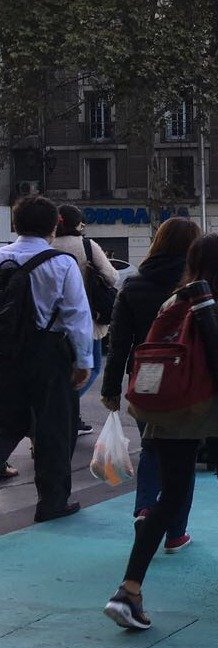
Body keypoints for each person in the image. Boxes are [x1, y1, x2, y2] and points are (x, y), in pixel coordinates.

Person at [103, 233, 218, 631]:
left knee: (170, 496)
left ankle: (129, 588)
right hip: (217, 406)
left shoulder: (175, 300)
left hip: (171, 405)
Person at [101, 218, 202, 553]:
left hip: (143, 377)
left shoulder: (133, 285)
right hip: (186, 378)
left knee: (152, 447)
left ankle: (145, 508)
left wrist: (110, 388)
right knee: (184, 455)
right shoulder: (196, 285)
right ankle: (175, 533)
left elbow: (118, 344)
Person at [0, 196, 93, 521]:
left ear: (15, 224)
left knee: (5, 421)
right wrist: (83, 361)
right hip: (48, 353)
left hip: (5, 351)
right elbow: (76, 316)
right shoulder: (61, 263)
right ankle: (52, 502)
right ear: (54, 226)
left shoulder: (0, 257)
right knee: (54, 427)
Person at [51, 204, 118, 437]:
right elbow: (111, 276)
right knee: (92, 367)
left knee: (60, 370)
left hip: (52, 323)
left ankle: (70, 416)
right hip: (86, 318)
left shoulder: (47, 244)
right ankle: (63, 409)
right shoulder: (87, 246)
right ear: (78, 223)